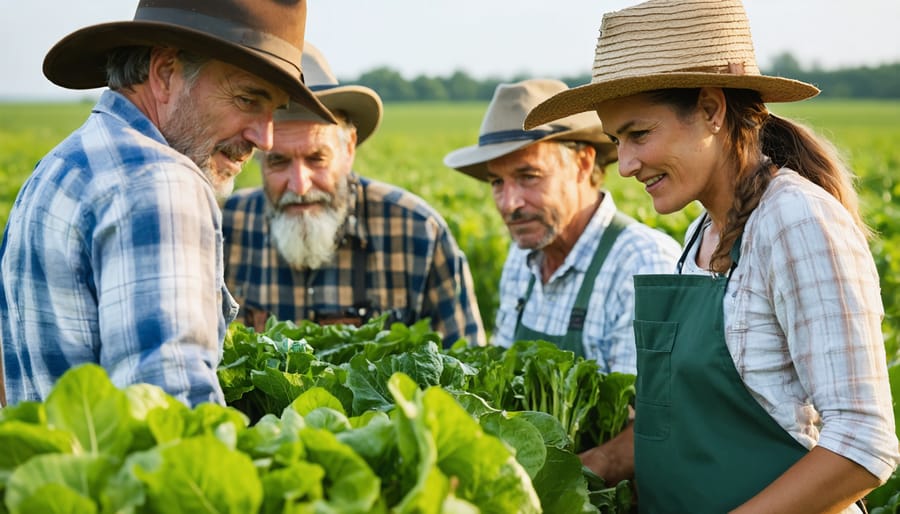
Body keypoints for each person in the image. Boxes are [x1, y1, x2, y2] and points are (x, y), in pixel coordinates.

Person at [525, 0, 900, 512]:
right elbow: (679, 428)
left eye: (639, 133)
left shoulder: (795, 221)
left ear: (711, 109)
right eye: (617, 140)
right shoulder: (702, 234)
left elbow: (862, 444)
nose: (627, 163)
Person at [0, 0, 335, 407]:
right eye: (248, 99)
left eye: (274, 110)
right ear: (164, 74)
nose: (264, 138)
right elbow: (172, 411)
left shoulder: (59, 166)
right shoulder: (161, 181)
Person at [222, 44, 486, 348]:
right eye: (278, 161)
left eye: (316, 159)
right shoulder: (226, 227)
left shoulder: (418, 233)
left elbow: (465, 367)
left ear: (348, 150)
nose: (299, 185)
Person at [443, 78, 680, 374]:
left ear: (582, 164)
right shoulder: (522, 258)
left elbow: (647, 414)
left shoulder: (643, 264)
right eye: (497, 182)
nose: (509, 203)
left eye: (528, 176)